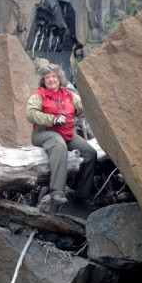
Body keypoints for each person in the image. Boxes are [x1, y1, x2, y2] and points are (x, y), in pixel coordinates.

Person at [26, 64, 97, 212]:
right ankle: (57, 191)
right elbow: (30, 114)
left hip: (66, 133)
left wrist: (84, 108)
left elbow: (83, 109)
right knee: (59, 145)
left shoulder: (68, 94)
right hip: (44, 133)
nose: (51, 79)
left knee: (90, 153)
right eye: (47, 77)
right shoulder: (39, 95)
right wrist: (52, 119)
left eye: (53, 76)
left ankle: (83, 195)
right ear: (43, 80)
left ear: (59, 78)